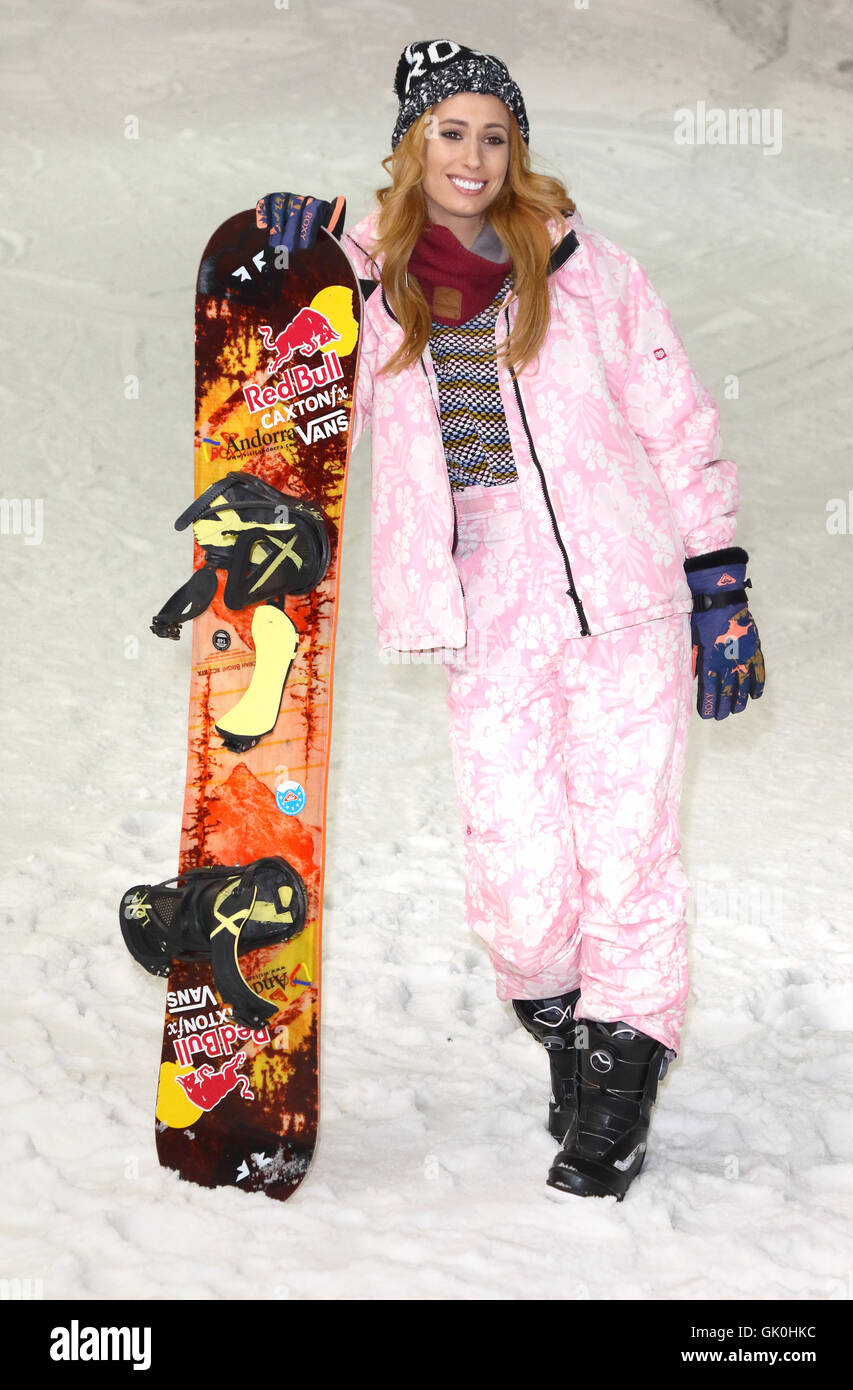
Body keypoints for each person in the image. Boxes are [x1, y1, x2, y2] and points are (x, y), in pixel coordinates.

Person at [257, 38, 765, 1200]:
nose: (473, 156)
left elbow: (675, 423)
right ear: (412, 148)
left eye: (493, 134)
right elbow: (289, 341)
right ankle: (569, 1030)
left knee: (628, 856)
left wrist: (717, 584)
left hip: (623, 598)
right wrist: (287, 247)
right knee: (522, 885)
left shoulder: (591, 274)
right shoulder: (376, 286)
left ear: (515, 150)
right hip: (482, 605)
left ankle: (615, 1088)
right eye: (449, 133)